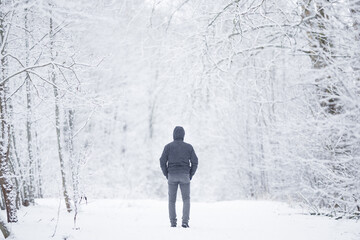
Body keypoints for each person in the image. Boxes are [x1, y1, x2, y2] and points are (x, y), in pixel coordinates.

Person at [160, 126, 198, 228]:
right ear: (183, 135)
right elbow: (195, 161)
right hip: (185, 175)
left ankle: (173, 222)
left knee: (172, 200)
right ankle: (185, 221)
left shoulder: (168, 147)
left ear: (173, 134)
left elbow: (162, 161)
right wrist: (190, 174)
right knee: (186, 199)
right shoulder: (189, 147)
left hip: (172, 175)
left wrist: (166, 174)